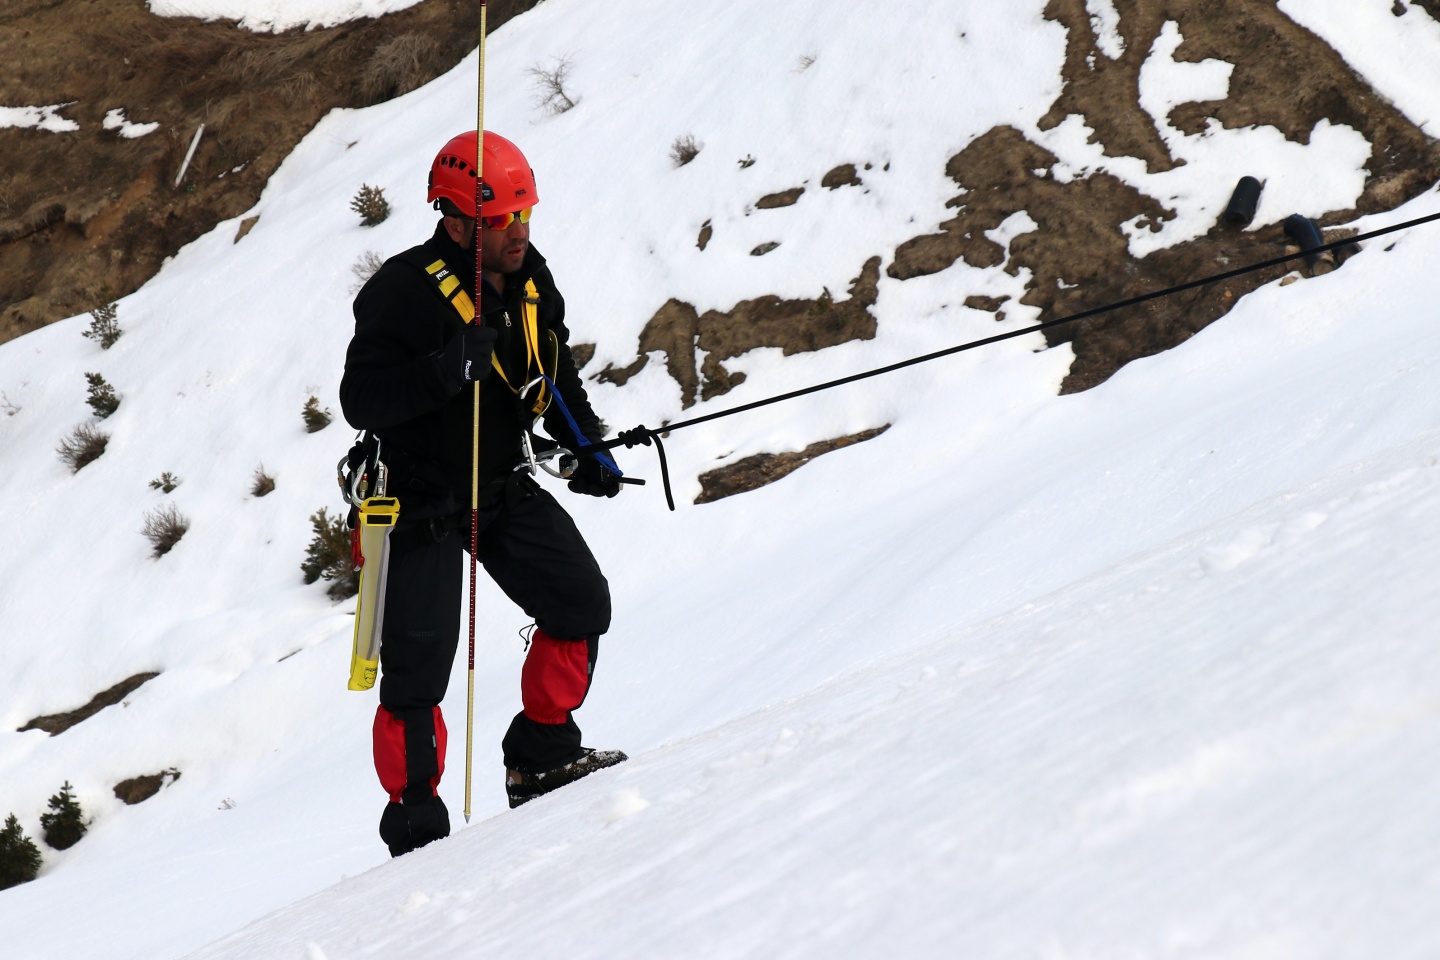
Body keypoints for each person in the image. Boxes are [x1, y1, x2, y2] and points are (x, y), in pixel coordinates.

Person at [340, 130, 626, 858]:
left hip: (499, 484)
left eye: (525, 216)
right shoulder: (401, 291)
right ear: (458, 219)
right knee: (417, 676)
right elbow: (361, 399)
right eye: (503, 221)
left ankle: (542, 753)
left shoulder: (532, 281)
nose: (519, 233)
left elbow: (553, 371)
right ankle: (416, 825)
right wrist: (443, 370)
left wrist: (587, 445)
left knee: (580, 603)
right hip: (418, 505)